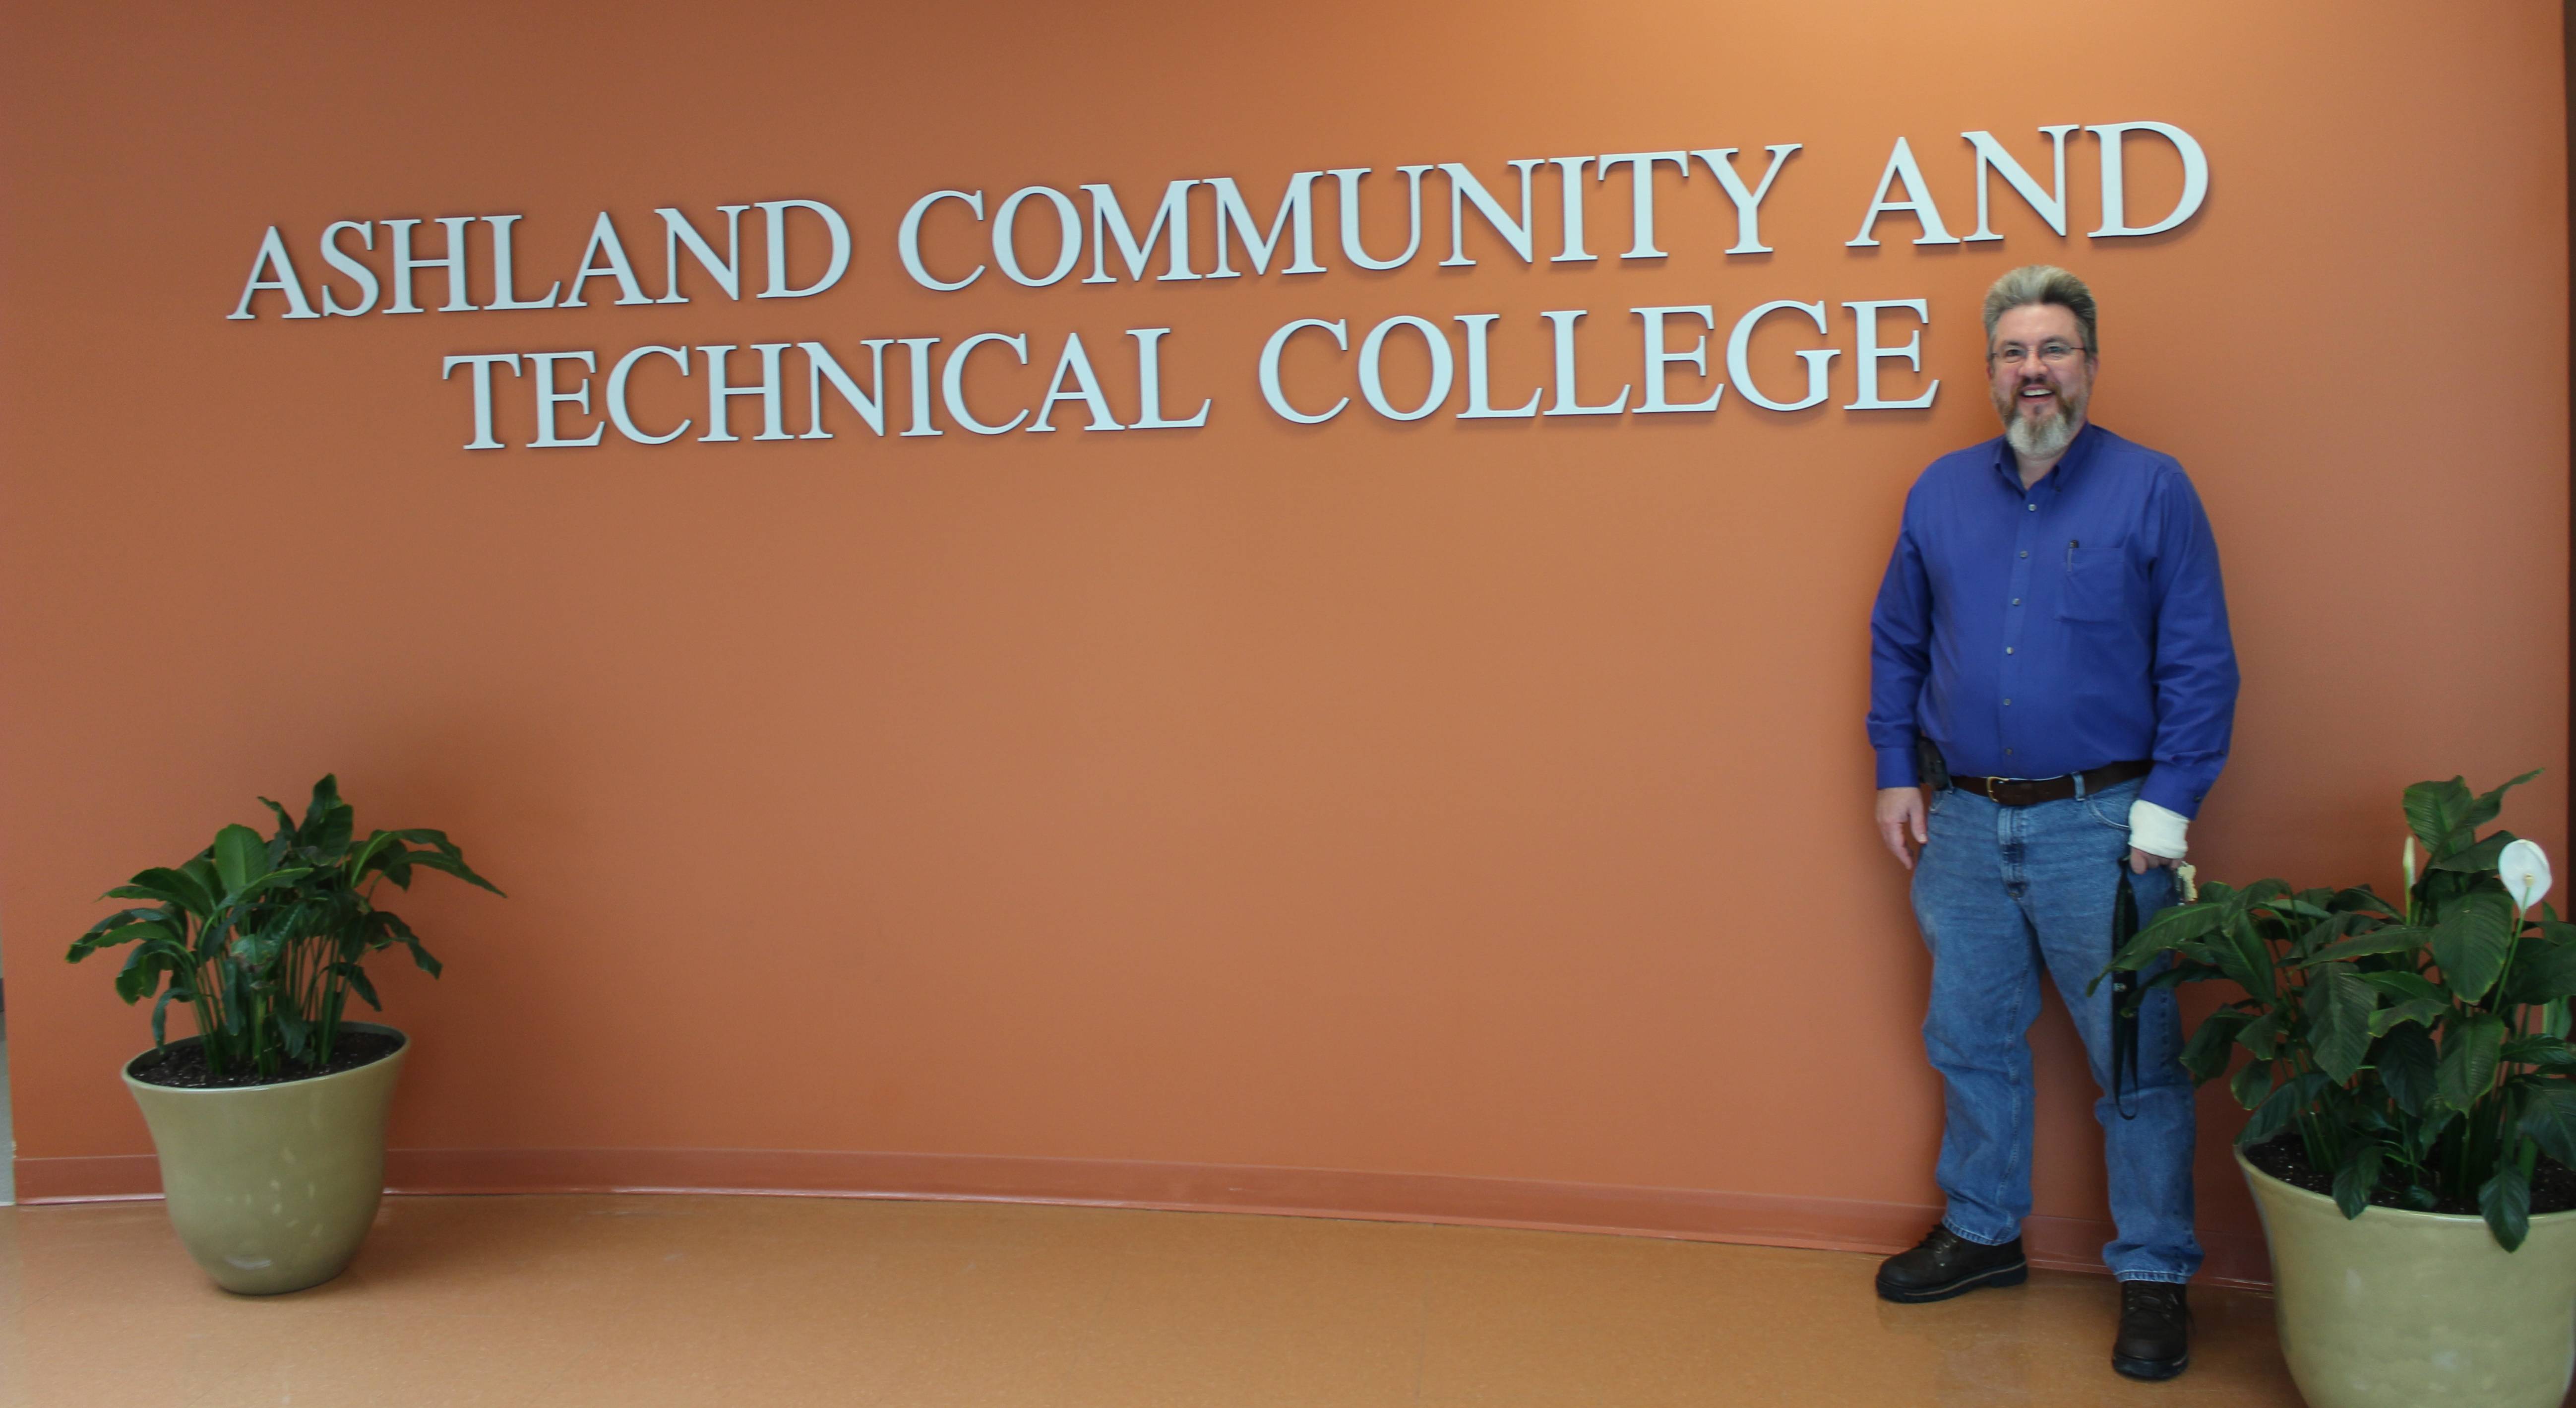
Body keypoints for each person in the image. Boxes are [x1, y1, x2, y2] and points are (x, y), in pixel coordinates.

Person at [1864, 264, 2238, 1382]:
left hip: (2105, 828)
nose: (2034, 371)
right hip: (1966, 827)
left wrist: (2162, 823)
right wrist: (1895, 770)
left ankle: (2154, 1273)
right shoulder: (1935, 493)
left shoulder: (2153, 489)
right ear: (1990, 371)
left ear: (2087, 362)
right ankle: (1981, 1234)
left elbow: (2199, 667)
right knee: (1968, 1042)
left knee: (2135, 1060)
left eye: (2054, 349)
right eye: (2014, 353)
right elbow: (1895, 641)